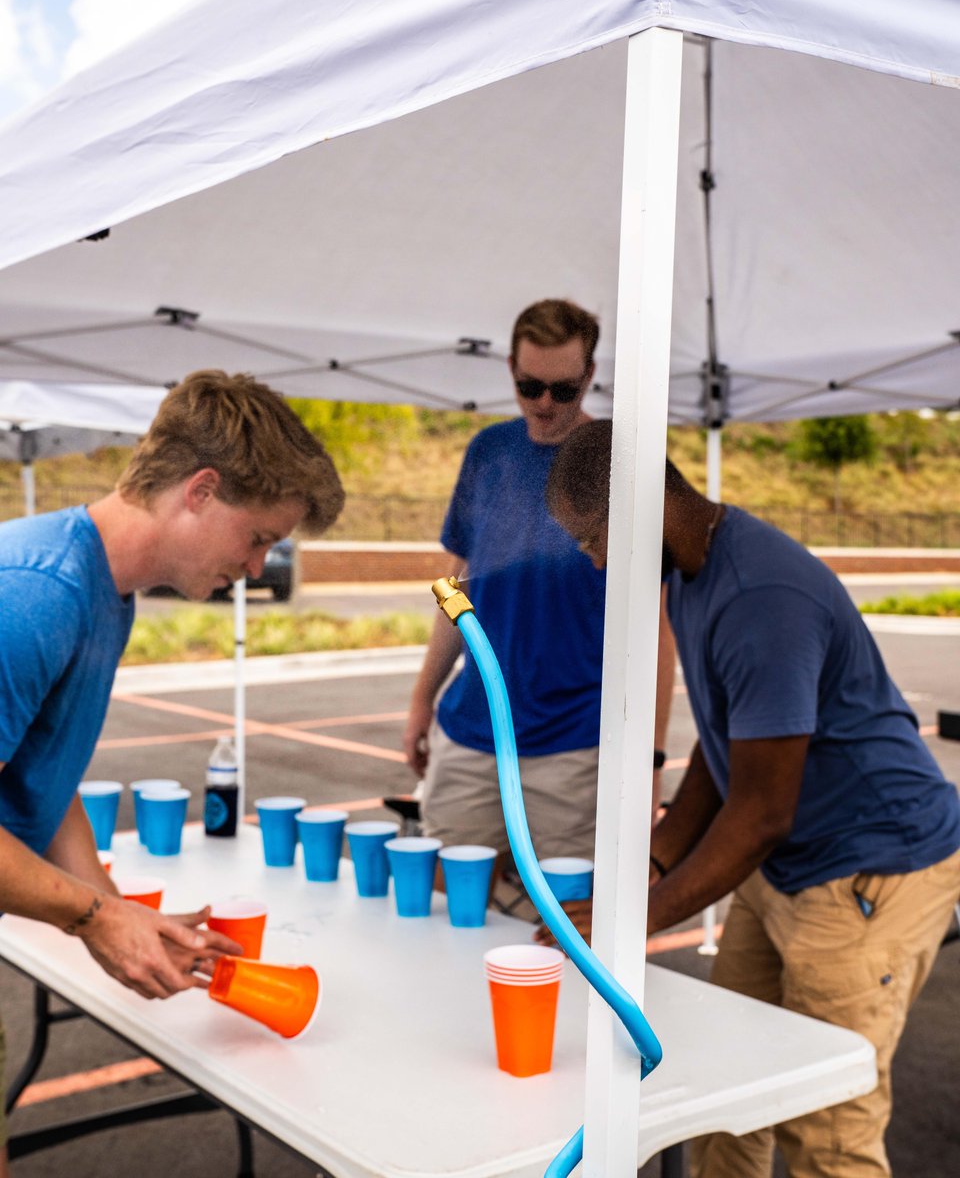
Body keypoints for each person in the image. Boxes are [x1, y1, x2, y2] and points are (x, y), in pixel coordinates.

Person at [543, 417, 960, 1178]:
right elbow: (726, 741)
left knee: (826, 1137)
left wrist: (635, 919)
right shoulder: (695, 571)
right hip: (787, 871)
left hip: (871, 869)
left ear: (643, 506)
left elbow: (765, 812)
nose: (596, 563)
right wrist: (658, 858)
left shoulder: (761, 594)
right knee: (725, 1093)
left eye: (593, 539)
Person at [0, 369, 344, 1171]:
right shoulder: (36, 596)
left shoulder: (102, 591)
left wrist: (116, 914)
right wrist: (92, 919)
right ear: (200, 491)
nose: (258, 569)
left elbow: (37, 782)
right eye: (258, 536)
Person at [402, 298, 675, 879]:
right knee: (450, 901)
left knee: (566, 926)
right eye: (530, 387)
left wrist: (650, 759)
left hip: (575, 745)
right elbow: (455, 592)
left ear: (591, 378)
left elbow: (658, 625)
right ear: (510, 369)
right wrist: (422, 699)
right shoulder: (489, 453)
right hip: (471, 731)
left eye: (564, 390)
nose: (545, 404)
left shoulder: (621, 461)